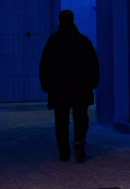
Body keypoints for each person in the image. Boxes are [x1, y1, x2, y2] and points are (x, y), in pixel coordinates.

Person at [40, 9, 100, 162]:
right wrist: (93, 82)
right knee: (81, 118)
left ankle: (64, 151)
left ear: (60, 20)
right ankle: (79, 141)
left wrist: (46, 85)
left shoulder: (53, 41)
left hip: (59, 89)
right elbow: (93, 63)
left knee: (61, 120)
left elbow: (45, 64)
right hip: (81, 87)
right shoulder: (83, 41)